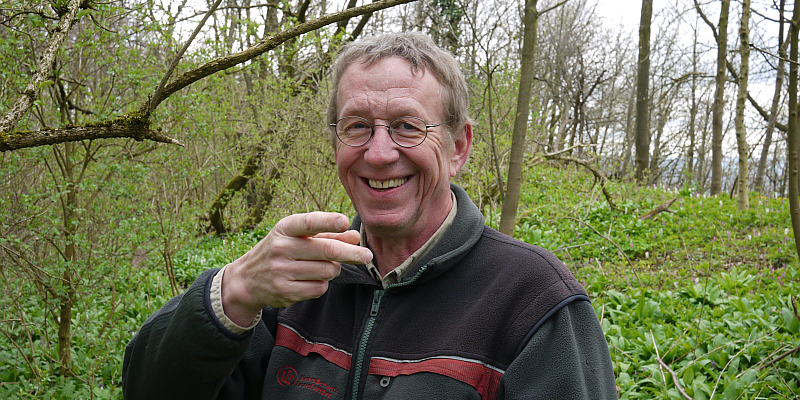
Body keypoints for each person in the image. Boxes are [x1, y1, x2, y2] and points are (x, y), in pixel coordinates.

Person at [122, 32, 617, 400]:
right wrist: (232, 292)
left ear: (459, 144)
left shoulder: (535, 302)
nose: (379, 154)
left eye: (406, 126)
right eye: (358, 126)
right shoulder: (290, 283)